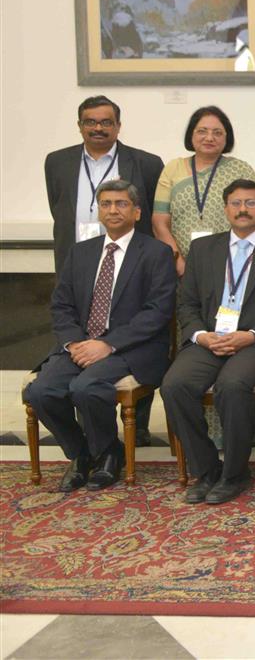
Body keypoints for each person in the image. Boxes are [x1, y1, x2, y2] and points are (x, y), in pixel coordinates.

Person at [161, 180, 255, 504]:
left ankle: (235, 473)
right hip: (210, 339)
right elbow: (186, 303)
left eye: (251, 203)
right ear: (226, 209)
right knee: (174, 385)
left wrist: (251, 335)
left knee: (232, 384)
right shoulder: (203, 250)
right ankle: (207, 470)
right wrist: (201, 335)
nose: (243, 209)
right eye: (236, 203)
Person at [23, 180, 175, 492]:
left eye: (121, 204)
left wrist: (107, 344)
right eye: (106, 204)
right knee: (41, 393)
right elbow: (61, 305)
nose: (113, 210)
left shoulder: (156, 253)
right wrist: (75, 343)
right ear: (98, 211)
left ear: (136, 212)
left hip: (131, 348)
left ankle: (108, 454)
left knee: (86, 387)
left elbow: (157, 311)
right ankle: (81, 454)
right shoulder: (80, 253)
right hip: (80, 344)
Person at [44, 96, 163, 445]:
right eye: (90, 122)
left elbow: (150, 213)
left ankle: (137, 431)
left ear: (118, 126)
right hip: (79, 265)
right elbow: (60, 208)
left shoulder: (145, 162)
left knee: (132, 339)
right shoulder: (57, 162)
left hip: (130, 265)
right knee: (74, 362)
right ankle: (94, 440)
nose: (98, 128)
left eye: (105, 122)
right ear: (79, 125)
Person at [152, 106, 255, 279]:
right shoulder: (173, 169)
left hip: (231, 268)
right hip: (179, 269)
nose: (209, 138)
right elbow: (160, 223)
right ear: (191, 135)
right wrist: (179, 265)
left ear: (227, 138)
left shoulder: (241, 170)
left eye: (217, 133)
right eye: (202, 131)